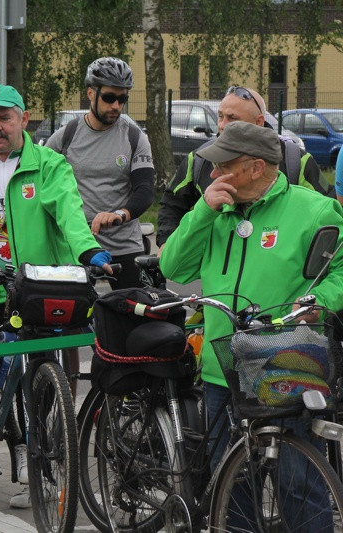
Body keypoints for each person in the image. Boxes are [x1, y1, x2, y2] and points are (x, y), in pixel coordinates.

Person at [159, 120, 343, 531]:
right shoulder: (213, 210)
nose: (213, 174)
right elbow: (172, 266)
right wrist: (202, 211)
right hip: (220, 369)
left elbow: (342, 270)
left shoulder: (313, 210)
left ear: (256, 167)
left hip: (287, 365)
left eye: (224, 165)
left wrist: (321, 300)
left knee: (298, 484)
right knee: (233, 483)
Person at [0, 83, 112, 509]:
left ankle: (49, 456)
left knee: (49, 379)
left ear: (23, 118)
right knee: (8, 376)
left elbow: (70, 214)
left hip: (46, 286)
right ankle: (21, 455)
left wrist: (88, 250)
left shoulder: (48, 165)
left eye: (4, 118)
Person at [157, 85, 330, 248]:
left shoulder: (295, 160)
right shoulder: (200, 159)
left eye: (232, 118)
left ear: (259, 121)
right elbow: (171, 204)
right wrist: (166, 245)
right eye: (220, 116)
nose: (222, 125)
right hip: (222, 272)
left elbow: (326, 213)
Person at [46, 56, 155, 290]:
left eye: (122, 98)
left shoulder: (135, 137)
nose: (116, 106)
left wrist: (119, 215)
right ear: (90, 94)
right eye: (109, 97)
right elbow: (42, 184)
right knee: (74, 322)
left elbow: (145, 191)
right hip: (79, 247)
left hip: (125, 245)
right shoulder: (66, 137)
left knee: (137, 319)